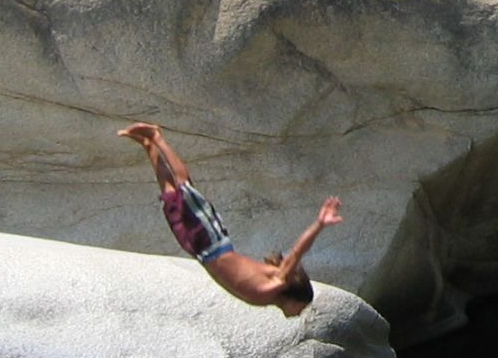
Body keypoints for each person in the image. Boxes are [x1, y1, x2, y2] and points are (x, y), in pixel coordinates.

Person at [119, 122, 340, 316]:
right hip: (215, 242)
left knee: (170, 197)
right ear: (297, 297)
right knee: (184, 188)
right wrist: (319, 224)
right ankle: (158, 137)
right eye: (301, 309)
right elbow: (298, 251)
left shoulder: (266, 298)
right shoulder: (277, 282)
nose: (297, 314)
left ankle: (149, 147)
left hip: (201, 252)